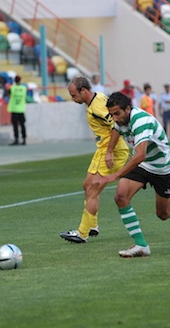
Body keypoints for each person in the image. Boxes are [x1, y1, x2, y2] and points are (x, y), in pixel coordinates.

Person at [95, 91, 170, 258]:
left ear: (128, 109)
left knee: (163, 214)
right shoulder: (120, 119)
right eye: (111, 114)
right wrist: (109, 152)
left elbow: (140, 155)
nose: (114, 118)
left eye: (117, 113)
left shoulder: (141, 121)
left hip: (161, 168)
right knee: (121, 197)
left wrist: (114, 176)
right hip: (143, 165)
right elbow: (116, 130)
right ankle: (141, 245)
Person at [60, 76, 130, 243]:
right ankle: (93, 226)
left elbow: (116, 125)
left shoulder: (97, 106)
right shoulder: (96, 98)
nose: (73, 99)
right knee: (87, 185)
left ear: (83, 91)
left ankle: (82, 233)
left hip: (112, 150)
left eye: (74, 95)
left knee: (92, 189)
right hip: (103, 149)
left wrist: (110, 152)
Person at [7, 75, 27, 145]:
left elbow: (9, 96)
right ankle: (24, 139)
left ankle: (16, 139)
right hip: (21, 109)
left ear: (14, 81)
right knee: (22, 125)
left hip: (14, 108)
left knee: (15, 125)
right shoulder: (24, 88)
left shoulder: (12, 88)